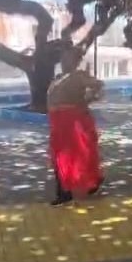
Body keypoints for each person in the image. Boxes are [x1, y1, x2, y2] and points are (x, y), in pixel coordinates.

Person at [47, 46, 105, 206]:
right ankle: (64, 191)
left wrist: (89, 99)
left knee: (78, 156)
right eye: (63, 58)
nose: (64, 61)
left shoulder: (79, 75)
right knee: (58, 157)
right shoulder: (58, 77)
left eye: (69, 58)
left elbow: (99, 85)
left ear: (76, 61)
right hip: (58, 122)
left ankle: (82, 186)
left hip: (72, 122)